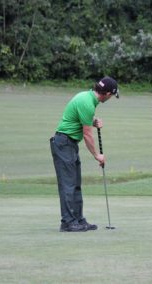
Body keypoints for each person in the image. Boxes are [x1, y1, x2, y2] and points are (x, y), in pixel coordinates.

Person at [50, 76, 119, 232]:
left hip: (69, 144)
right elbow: (87, 135)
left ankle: (78, 220)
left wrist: (92, 120)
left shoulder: (86, 97)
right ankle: (68, 222)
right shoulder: (87, 102)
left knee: (75, 184)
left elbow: (82, 118)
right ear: (107, 93)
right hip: (63, 143)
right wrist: (97, 155)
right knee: (68, 185)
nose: (111, 98)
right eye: (112, 95)